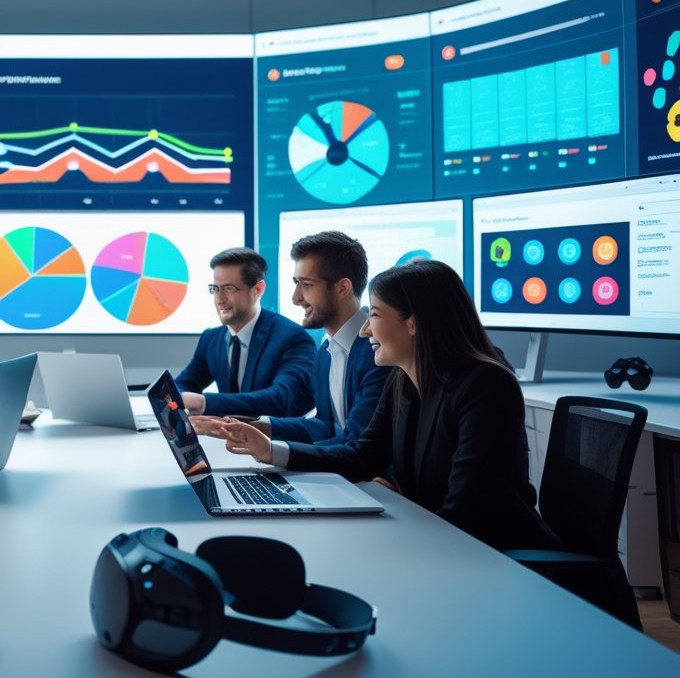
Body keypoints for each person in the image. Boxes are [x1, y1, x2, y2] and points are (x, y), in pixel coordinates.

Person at [203, 259, 558, 552]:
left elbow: (467, 514)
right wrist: (270, 450)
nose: (365, 331)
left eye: (374, 315)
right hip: (437, 544)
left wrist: (402, 506)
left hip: (497, 557)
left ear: (413, 323)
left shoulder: (485, 386)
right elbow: (362, 456)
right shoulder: (403, 378)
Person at [202, 231, 391, 446]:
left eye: (306, 284)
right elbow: (325, 426)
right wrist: (247, 427)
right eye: (296, 283)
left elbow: (358, 446)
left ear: (342, 288)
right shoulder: (326, 351)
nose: (295, 298)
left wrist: (274, 452)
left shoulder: (377, 352)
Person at [174, 247, 315, 418]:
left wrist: (204, 403)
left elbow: (282, 399)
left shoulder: (292, 338)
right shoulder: (211, 339)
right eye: (215, 289)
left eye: (229, 288)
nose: (219, 299)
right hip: (224, 434)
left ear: (257, 290)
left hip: (272, 434)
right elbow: (183, 384)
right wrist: (177, 397)